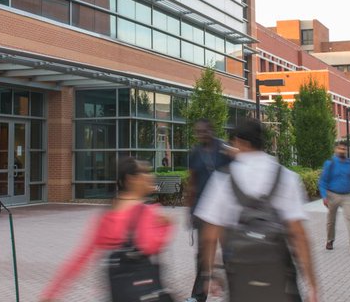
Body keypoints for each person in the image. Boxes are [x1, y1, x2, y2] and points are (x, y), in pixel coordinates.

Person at [195, 120, 319, 302]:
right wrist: (312, 285)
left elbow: (210, 236)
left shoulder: (222, 178)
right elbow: (299, 235)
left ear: (241, 142)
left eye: (233, 143)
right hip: (280, 278)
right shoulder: (287, 177)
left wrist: (209, 276)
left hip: (240, 279)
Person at [40, 157, 174, 301]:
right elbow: (151, 246)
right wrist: (166, 226)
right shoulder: (146, 212)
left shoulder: (108, 214)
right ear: (131, 179)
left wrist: (51, 294)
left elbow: (80, 258)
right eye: (145, 172)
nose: (150, 176)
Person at [186, 119, 233, 302]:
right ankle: (198, 296)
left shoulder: (224, 150)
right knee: (203, 255)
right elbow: (192, 182)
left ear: (211, 130)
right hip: (203, 211)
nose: (201, 135)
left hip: (224, 210)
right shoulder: (195, 153)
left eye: (204, 131)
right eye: (198, 132)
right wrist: (190, 211)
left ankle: (236, 292)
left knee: (229, 253)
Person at [319, 141, 350, 254]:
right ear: (335, 150)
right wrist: (324, 196)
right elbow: (323, 181)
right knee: (331, 220)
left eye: (344, 149)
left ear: (346, 151)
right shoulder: (330, 163)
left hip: (347, 195)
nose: (342, 151)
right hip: (332, 195)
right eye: (340, 149)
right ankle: (330, 240)